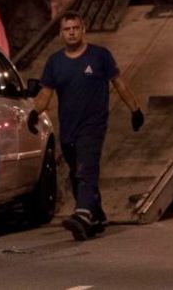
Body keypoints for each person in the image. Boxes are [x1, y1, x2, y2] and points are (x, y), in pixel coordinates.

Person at [31, 12, 144, 240]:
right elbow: (45, 94)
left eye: (75, 28)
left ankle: (82, 214)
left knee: (85, 170)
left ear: (84, 30)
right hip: (68, 128)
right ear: (61, 33)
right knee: (76, 173)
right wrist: (34, 112)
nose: (71, 32)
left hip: (93, 126)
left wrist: (135, 109)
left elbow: (119, 83)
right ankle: (98, 215)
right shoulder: (55, 62)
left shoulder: (100, 56)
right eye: (67, 29)